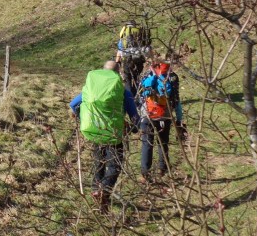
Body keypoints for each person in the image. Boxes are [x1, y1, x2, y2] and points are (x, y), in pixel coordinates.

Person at [69, 60, 140, 213]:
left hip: (95, 132)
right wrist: (134, 129)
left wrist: (82, 118)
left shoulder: (91, 89)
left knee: (99, 162)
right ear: (118, 73)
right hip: (114, 134)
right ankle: (104, 191)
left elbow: (73, 105)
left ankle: (96, 190)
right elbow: (134, 117)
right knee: (115, 165)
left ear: (102, 71)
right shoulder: (123, 92)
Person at [139, 60, 184, 181]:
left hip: (147, 115)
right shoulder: (172, 78)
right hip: (165, 115)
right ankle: (162, 168)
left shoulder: (146, 76)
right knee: (163, 143)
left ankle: (145, 173)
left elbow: (140, 97)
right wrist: (179, 118)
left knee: (147, 144)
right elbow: (176, 100)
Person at [116, 22, 151, 92]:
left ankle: (130, 95)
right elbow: (148, 49)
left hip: (127, 61)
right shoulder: (140, 34)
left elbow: (119, 51)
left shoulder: (124, 36)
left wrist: (117, 62)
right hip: (139, 60)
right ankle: (136, 93)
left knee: (127, 79)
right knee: (136, 77)